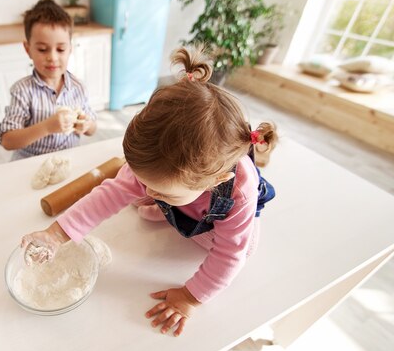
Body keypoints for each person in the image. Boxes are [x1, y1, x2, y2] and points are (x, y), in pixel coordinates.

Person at [21, 46, 278, 336]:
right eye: (148, 184)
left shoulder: (238, 196)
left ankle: (182, 214)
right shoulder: (159, 162)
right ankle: (176, 209)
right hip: (190, 199)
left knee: (244, 251)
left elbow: (229, 256)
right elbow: (109, 194)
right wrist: (56, 235)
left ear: (214, 180)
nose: (150, 191)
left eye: (163, 192)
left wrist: (190, 297)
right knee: (137, 192)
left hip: (219, 228)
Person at [0, 0, 97, 160]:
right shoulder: (22, 90)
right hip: (29, 163)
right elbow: (7, 140)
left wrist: (86, 125)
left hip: (67, 160)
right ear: (28, 49)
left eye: (60, 49)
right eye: (43, 49)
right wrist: (47, 127)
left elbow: (92, 129)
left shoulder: (78, 87)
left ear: (70, 48)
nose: (52, 57)